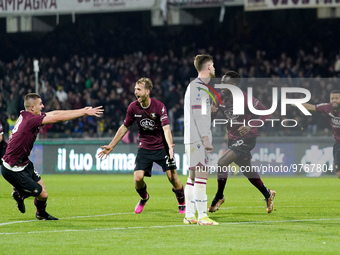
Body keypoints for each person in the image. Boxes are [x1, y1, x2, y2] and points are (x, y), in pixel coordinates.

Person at [1, 93, 104, 220]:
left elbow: (54, 113)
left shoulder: (26, 115)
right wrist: (83, 114)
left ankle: (40, 213)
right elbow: (59, 118)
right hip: (12, 169)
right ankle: (20, 193)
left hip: (24, 163)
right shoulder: (30, 121)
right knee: (41, 193)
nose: (43, 106)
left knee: (43, 194)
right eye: (40, 104)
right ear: (32, 107)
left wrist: (82, 110)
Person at [98, 77, 185, 214]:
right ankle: (144, 197)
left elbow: (166, 128)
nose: (135, 92)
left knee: (172, 178)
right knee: (138, 179)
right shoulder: (133, 107)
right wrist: (111, 145)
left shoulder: (158, 106)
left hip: (162, 147)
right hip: (145, 147)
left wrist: (170, 146)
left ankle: (181, 202)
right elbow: (124, 127)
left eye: (138, 89)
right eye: (135, 89)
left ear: (147, 91)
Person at [208, 70, 276, 214]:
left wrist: (251, 124)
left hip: (247, 138)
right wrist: (211, 111)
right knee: (247, 170)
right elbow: (210, 119)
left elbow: (267, 113)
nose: (221, 85)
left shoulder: (245, 98)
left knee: (221, 163)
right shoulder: (219, 97)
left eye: (225, 83)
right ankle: (267, 194)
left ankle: (219, 197)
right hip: (233, 138)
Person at [183, 54, 219, 225]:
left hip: (190, 137)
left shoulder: (194, 86)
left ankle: (190, 215)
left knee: (192, 177)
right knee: (202, 176)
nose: (214, 69)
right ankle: (202, 216)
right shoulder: (199, 87)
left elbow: (198, 111)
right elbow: (198, 114)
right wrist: (205, 138)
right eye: (213, 66)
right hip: (198, 138)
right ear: (208, 66)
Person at [302, 90, 340, 178]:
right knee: (339, 174)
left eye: (337, 98)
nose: (334, 100)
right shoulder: (327, 107)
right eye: (332, 98)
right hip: (338, 143)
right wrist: (293, 103)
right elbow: (310, 107)